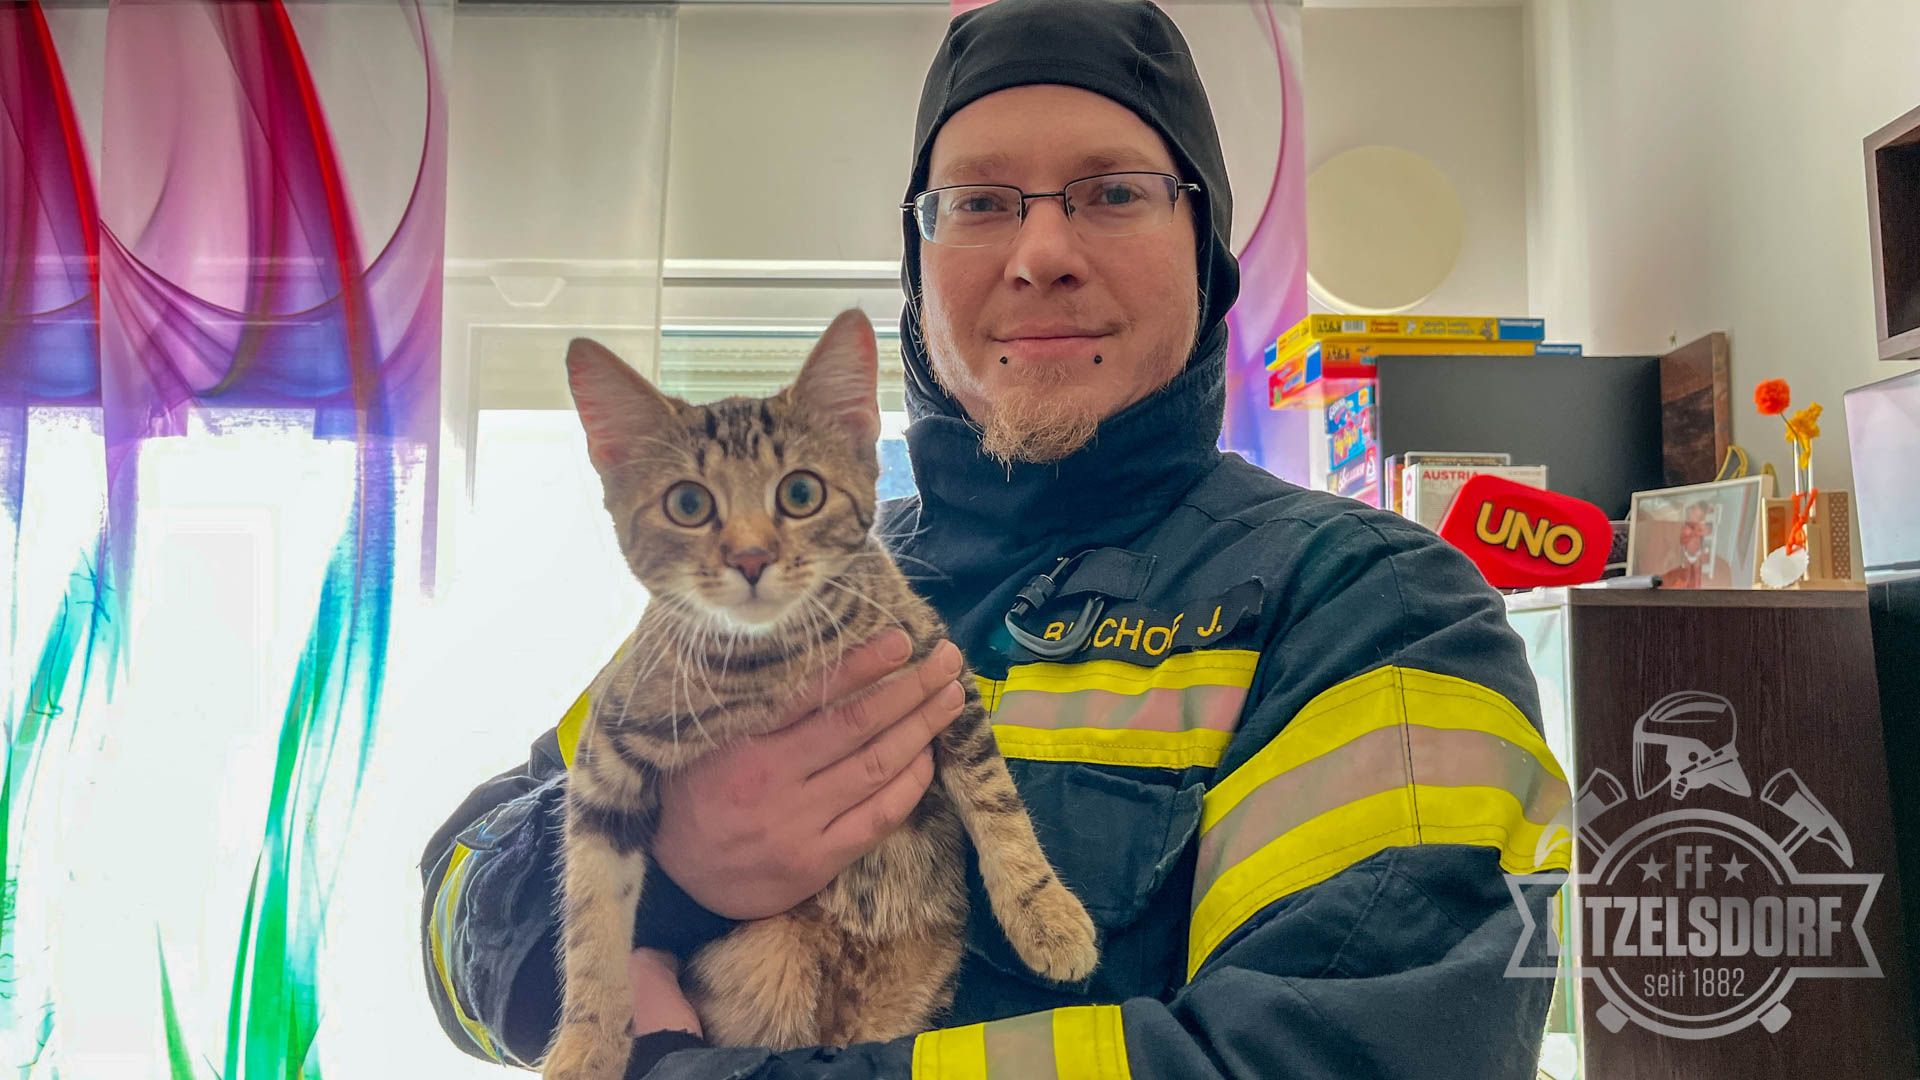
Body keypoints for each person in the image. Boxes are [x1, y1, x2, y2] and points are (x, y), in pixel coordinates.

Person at [419, 0, 1572, 1075]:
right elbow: (456, 909)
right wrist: (670, 869)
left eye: (1112, 193)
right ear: (917, 277)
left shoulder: (1377, 606)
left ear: (1210, 258)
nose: (1040, 253)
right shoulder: (758, 589)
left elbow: (1352, 1048)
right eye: (978, 203)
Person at [1659, 500, 1735, 589]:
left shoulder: (1722, 568)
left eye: (1697, 527)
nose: (1691, 533)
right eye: (1688, 525)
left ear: (1707, 531)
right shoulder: (1670, 560)